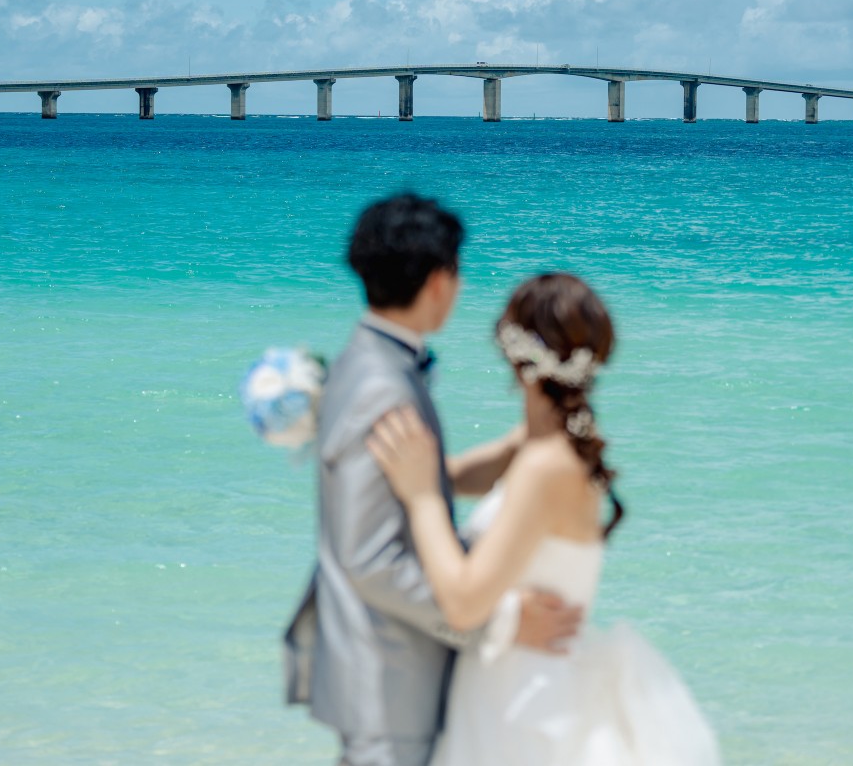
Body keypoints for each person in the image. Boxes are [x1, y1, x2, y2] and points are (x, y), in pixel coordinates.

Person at [369, 273, 721, 765]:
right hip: (520, 686)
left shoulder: (545, 466)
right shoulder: (550, 440)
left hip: (524, 706)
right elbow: (455, 474)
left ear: (515, 353)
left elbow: (464, 603)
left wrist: (422, 498)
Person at [284, 194, 582, 766]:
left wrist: (523, 446)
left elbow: (415, 484)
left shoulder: (364, 363)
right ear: (440, 282)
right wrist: (500, 622)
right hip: (389, 678)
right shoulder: (383, 388)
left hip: (384, 669)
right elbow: (371, 559)